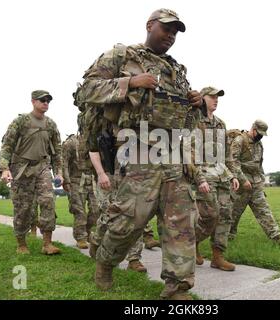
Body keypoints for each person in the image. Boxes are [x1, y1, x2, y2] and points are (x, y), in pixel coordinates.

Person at [78, 8, 204, 300]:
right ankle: (106, 263)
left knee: (179, 223)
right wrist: (131, 83)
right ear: (150, 25)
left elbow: (185, 124)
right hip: (137, 150)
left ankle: (177, 287)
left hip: (173, 152)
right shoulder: (121, 56)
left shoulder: (177, 71)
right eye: (166, 29)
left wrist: (194, 105)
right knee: (130, 219)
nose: (171, 36)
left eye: (175, 32)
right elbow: (87, 90)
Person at [0, 90, 63, 255]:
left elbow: (57, 151)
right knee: (23, 207)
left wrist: (59, 172)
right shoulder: (21, 122)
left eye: (48, 100)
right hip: (21, 168)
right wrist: (5, 169)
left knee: (48, 201)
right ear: (33, 101)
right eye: (42, 100)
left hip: (42, 167)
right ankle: (21, 244)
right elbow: (7, 146)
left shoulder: (51, 125)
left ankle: (47, 243)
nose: (46, 103)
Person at [194, 87, 239, 271]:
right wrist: (199, 179)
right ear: (202, 98)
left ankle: (217, 256)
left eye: (217, 97)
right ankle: (192, 243)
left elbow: (226, 154)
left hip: (221, 175)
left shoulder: (220, 124)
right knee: (209, 215)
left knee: (225, 215)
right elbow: (190, 152)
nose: (216, 100)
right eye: (212, 96)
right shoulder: (195, 121)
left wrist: (233, 175)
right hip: (204, 175)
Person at [227, 120, 280, 245]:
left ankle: (276, 237)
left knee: (264, 211)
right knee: (233, 213)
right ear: (253, 129)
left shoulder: (259, 144)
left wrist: (261, 182)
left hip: (256, 184)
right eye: (259, 133)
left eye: (263, 134)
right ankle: (227, 239)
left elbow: (259, 165)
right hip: (241, 186)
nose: (261, 136)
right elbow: (233, 162)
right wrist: (243, 180)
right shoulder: (240, 141)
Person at [62, 133, 99, 249]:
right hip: (76, 180)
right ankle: (80, 237)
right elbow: (64, 162)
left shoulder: (95, 140)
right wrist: (66, 181)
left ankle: (86, 232)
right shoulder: (71, 143)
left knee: (96, 210)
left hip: (93, 179)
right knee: (79, 211)